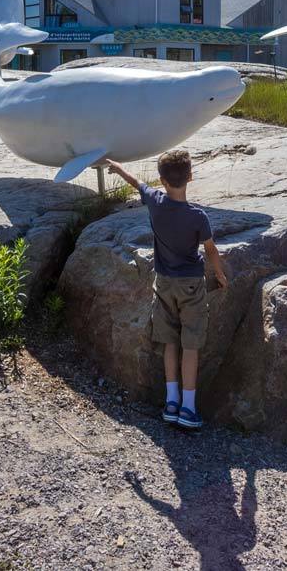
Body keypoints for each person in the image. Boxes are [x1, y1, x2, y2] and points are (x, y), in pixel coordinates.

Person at [106, 150, 227, 429]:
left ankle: (171, 402)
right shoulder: (198, 216)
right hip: (191, 286)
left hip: (163, 282)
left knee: (169, 341)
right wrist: (219, 275)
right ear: (191, 177)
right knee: (191, 345)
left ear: (161, 180)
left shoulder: (155, 202)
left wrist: (118, 166)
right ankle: (188, 407)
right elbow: (210, 250)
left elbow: (136, 182)